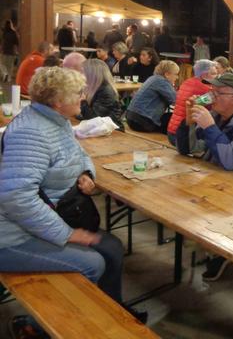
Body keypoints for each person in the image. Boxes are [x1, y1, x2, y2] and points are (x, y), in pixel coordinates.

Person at [0, 67, 134, 337]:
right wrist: (67, 234)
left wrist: (86, 174)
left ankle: (111, 316)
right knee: (92, 263)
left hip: (42, 220)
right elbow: (16, 196)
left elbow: (79, 154)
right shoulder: (31, 132)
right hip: (11, 237)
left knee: (111, 247)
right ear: (57, 100)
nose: (83, 96)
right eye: (78, 92)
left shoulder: (56, 120)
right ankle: (34, 327)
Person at [178, 72, 233, 181]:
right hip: (216, 178)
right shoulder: (215, 115)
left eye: (217, 93)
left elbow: (231, 161)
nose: (212, 97)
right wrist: (189, 122)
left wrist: (210, 127)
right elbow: (188, 149)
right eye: (211, 91)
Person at [167, 59, 217, 146]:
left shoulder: (186, 82)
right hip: (184, 138)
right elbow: (215, 108)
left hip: (171, 131)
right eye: (214, 74)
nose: (217, 77)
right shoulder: (205, 89)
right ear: (204, 75)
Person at [125, 60, 179, 133]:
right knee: (176, 121)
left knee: (168, 117)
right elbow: (176, 100)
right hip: (143, 121)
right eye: (176, 74)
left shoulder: (152, 78)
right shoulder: (162, 82)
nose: (177, 77)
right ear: (167, 74)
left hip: (131, 117)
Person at [81, 59, 123, 130]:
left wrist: (82, 101)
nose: (80, 75)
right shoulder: (93, 87)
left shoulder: (106, 91)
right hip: (98, 129)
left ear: (92, 74)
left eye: (83, 72)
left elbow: (95, 119)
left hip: (112, 131)